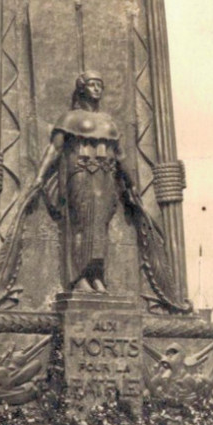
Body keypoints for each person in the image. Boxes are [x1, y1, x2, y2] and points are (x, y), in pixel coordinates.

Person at [30, 73, 140, 292]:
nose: (97, 88)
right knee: (80, 224)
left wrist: (132, 182)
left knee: (100, 228)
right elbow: (55, 148)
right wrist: (40, 176)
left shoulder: (108, 121)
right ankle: (78, 278)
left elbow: (120, 156)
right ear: (82, 89)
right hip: (79, 173)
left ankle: (96, 275)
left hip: (105, 175)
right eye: (92, 84)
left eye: (100, 84)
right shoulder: (69, 118)